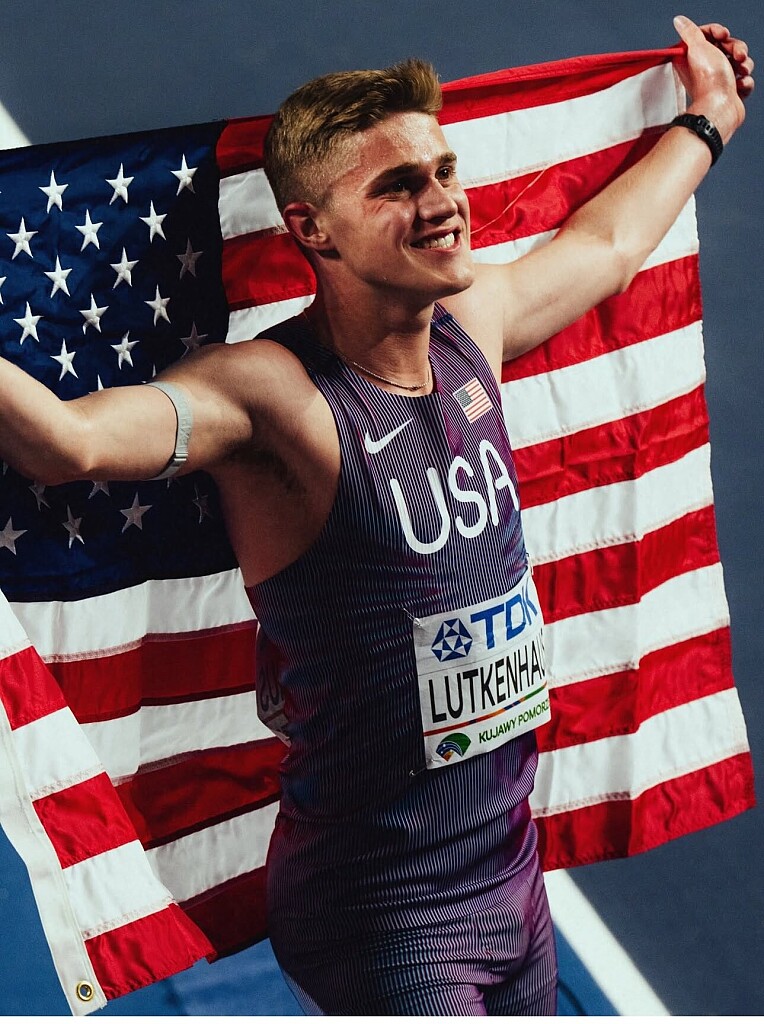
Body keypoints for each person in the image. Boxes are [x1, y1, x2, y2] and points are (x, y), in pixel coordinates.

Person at [0, 14, 754, 1016]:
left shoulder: (471, 325)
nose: (442, 205)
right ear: (313, 229)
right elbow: (69, 444)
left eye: (443, 171)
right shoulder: (273, 399)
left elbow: (607, 247)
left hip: (510, 878)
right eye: (397, 187)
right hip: (383, 918)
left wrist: (707, 117)